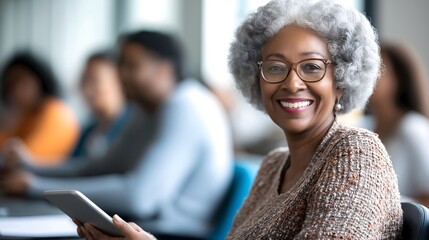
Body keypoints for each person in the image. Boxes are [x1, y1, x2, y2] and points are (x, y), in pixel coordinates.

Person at [76, 0, 402, 239]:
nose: (291, 82)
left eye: (312, 67)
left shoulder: (356, 155)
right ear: (256, 81)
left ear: (342, 81)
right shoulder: (273, 166)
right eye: (275, 67)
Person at [1, 31, 233, 240]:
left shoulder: (187, 104)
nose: (120, 74)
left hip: (171, 233)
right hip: (142, 226)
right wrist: (32, 167)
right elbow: (97, 168)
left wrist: (36, 187)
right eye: (120, 64)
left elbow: (140, 198)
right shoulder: (145, 108)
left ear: (164, 69)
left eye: (131, 65)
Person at [369, 43, 429, 207]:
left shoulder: (413, 128)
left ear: (398, 79)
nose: (367, 75)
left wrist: (387, 205)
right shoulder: (365, 129)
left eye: (377, 69)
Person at [0, 53, 79, 165]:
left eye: (21, 81)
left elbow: (28, 160)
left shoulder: (56, 112)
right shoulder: (29, 114)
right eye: (10, 85)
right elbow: (6, 141)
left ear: (39, 78)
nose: (15, 91)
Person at [71, 51, 130, 159]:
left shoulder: (133, 129)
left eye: (94, 80)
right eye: (83, 79)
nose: (86, 88)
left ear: (120, 81)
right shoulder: (87, 132)